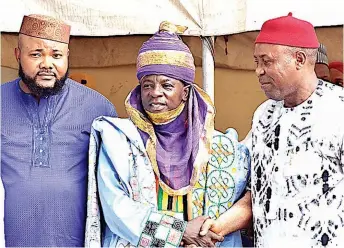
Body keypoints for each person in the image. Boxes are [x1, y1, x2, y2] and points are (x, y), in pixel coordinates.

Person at [84, 21, 251, 248]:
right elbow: (117, 209)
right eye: (147, 85)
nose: (155, 93)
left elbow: (245, 205)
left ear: (185, 93)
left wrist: (203, 234)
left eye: (166, 85)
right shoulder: (119, 141)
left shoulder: (222, 146)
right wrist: (179, 232)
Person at [201, 12, 344, 247]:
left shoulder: (338, 111)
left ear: (299, 59)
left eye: (267, 62)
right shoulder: (264, 115)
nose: (258, 70)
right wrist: (212, 230)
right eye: (256, 62)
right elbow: (256, 195)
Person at [1, 14, 117, 247]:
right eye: (36, 54)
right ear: (17, 55)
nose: (47, 64)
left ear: (67, 57)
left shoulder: (98, 108)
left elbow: (116, 187)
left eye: (56, 55)